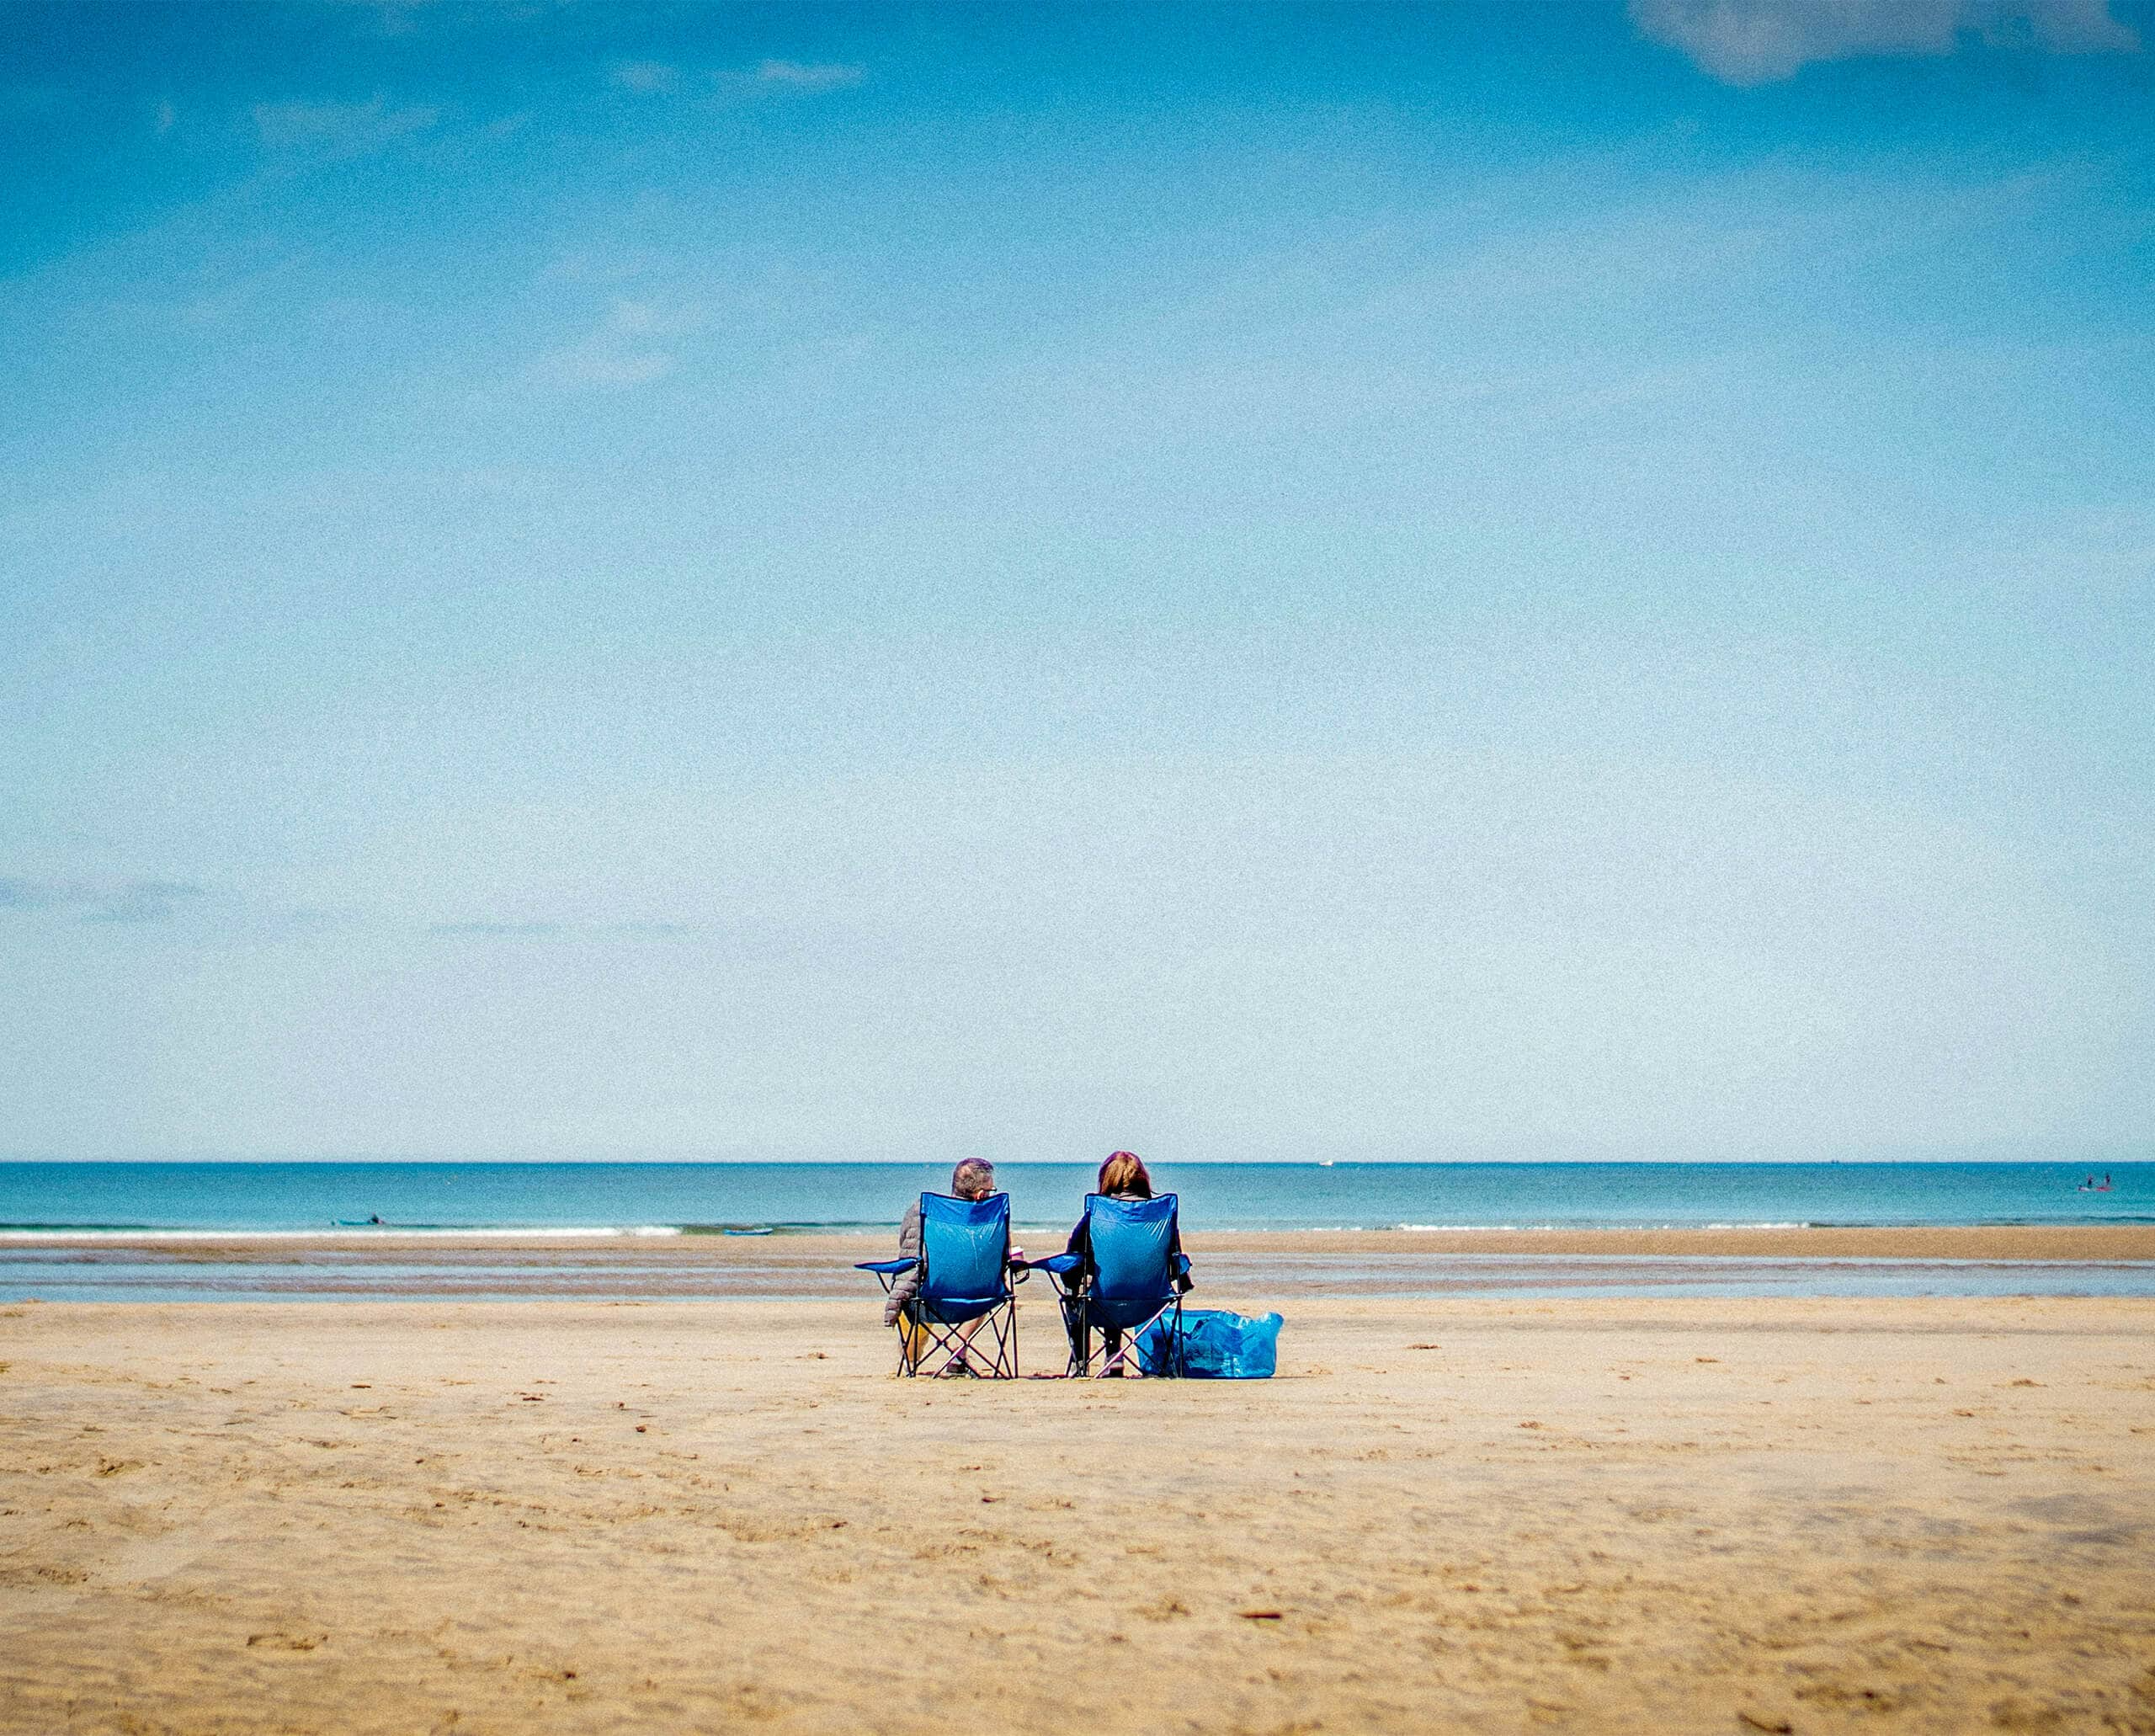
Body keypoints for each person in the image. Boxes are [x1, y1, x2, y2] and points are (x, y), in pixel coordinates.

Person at [883, 1158, 1021, 1376]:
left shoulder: (924, 1210)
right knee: (981, 1284)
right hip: (979, 1301)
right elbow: (1002, 1258)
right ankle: (959, 1352)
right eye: (991, 1190)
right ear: (980, 1195)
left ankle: (911, 1361)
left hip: (930, 1300)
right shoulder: (992, 1220)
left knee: (913, 1286)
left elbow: (907, 1247)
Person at [1063, 1151, 1184, 1377]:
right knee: (1114, 1282)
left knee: (1084, 1292)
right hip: (1152, 1303)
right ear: (1142, 1179)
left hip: (1103, 1303)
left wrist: (1069, 1281)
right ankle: (1114, 1359)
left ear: (1106, 1179)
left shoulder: (1097, 1214)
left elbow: (1071, 1257)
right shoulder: (1160, 1215)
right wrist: (1183, 1280)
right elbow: (1176, 1262)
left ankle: (1082, 1365)